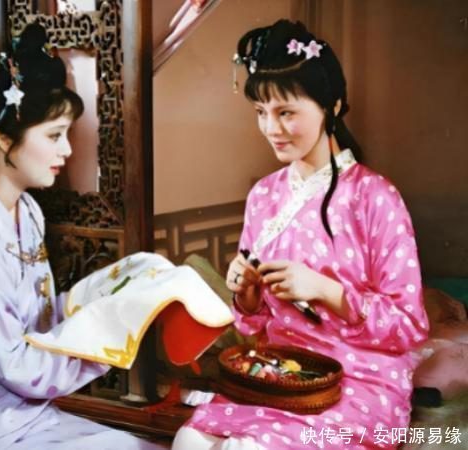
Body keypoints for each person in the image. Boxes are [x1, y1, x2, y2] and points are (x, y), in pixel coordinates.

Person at [172, 19, 429, 450]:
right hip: (279, 373)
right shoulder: (263, 195)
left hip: (359, 379)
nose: (271, 128)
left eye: (286, 112)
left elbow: (409, 326)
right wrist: (247, 296)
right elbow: (254, 325)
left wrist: (327, 291)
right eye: (261, 112)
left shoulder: (375, 197)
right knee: (189, 441)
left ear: (332, 106)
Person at [0, 23, 164, 450]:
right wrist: (111, 339)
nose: (67, 150)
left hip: (23, 417)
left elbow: (40, 318)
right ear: (3, 136)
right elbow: (19, 368)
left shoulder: (26, 210)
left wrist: (114, 289)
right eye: (54, 135)